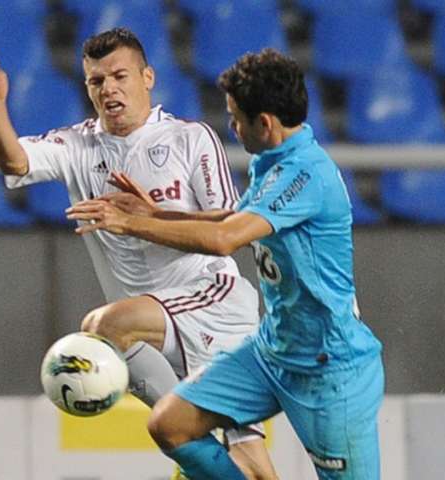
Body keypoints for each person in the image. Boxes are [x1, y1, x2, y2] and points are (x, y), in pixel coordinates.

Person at [0, 28, 277, 479]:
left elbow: (229, 224)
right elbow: (16, 162)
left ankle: (188, 433)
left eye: (119, 76)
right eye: (96, 81)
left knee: (104, 326)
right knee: (252, 466)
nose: (108, 89)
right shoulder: (78, 146)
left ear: (147, 77)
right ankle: (197, 445)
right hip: (152, 332)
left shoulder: (190, 138)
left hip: (211, 302)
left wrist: (144, 220)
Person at [67, 48, 385, 480]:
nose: (232, 128)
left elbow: (223, 240)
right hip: (272, 352)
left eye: (236, 118)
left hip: (329, 370)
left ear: (265, 123)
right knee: (170, 426)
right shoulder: (272, 162)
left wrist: (129, 225)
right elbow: (230, 217)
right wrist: (156, 214)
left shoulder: (307, 174)